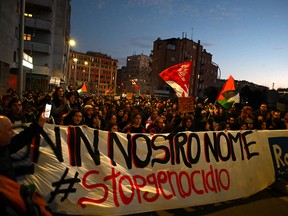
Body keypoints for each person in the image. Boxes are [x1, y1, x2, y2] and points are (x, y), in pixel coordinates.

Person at [0, 113, 47, 181]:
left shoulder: (4, 147)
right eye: (9, 130)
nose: (13, 132)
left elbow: (21, 139)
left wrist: (39, 123)